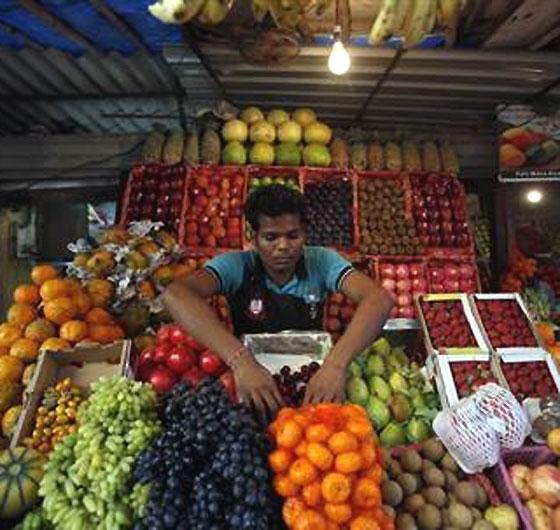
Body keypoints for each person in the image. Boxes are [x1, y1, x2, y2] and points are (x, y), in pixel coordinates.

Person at [163, 184, 393, 421]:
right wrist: (241, 362)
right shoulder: (237, 266)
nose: (283, 246)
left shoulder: (322, 261)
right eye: (271, 237)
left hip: (310, 381)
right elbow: (175, 295)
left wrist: (336, 365)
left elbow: (379, 299)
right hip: (251, 381)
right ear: (253, 238)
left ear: (305, 233)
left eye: (293, 236)